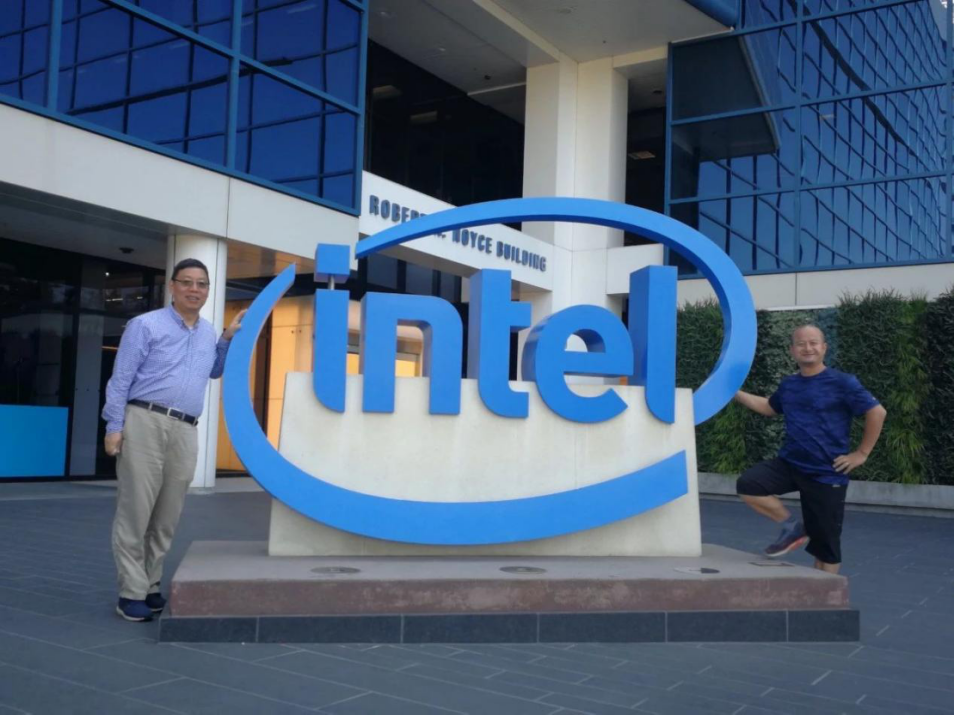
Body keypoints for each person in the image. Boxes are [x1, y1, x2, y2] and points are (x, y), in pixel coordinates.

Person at [102, 258, 246, 621]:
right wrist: (114, 426)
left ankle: (150, 585)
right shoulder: (145, 325)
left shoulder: (207, 332)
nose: (194, 289)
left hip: (185, 429)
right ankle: (130, 592)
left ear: (208, 290)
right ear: (172, 286)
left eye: (201, 284)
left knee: (166, 516)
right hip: (145, 420)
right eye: (187, 282)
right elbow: (120, 379)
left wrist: (226, 339)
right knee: (136, 510)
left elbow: (214, 371)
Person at [733, 324, 887, 574]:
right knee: (748, 485)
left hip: (826, 473)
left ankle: (826, 597)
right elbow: (770, 407)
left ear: (824, 348)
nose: (808, 348)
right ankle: (792, 526)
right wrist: (735, 393)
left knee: (825, 549)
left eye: (813, 343)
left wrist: (861, 454)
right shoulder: (789, 384)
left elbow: (877, 412)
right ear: (792, 350)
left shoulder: (843, 382)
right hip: (791, 464)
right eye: (801, 343)